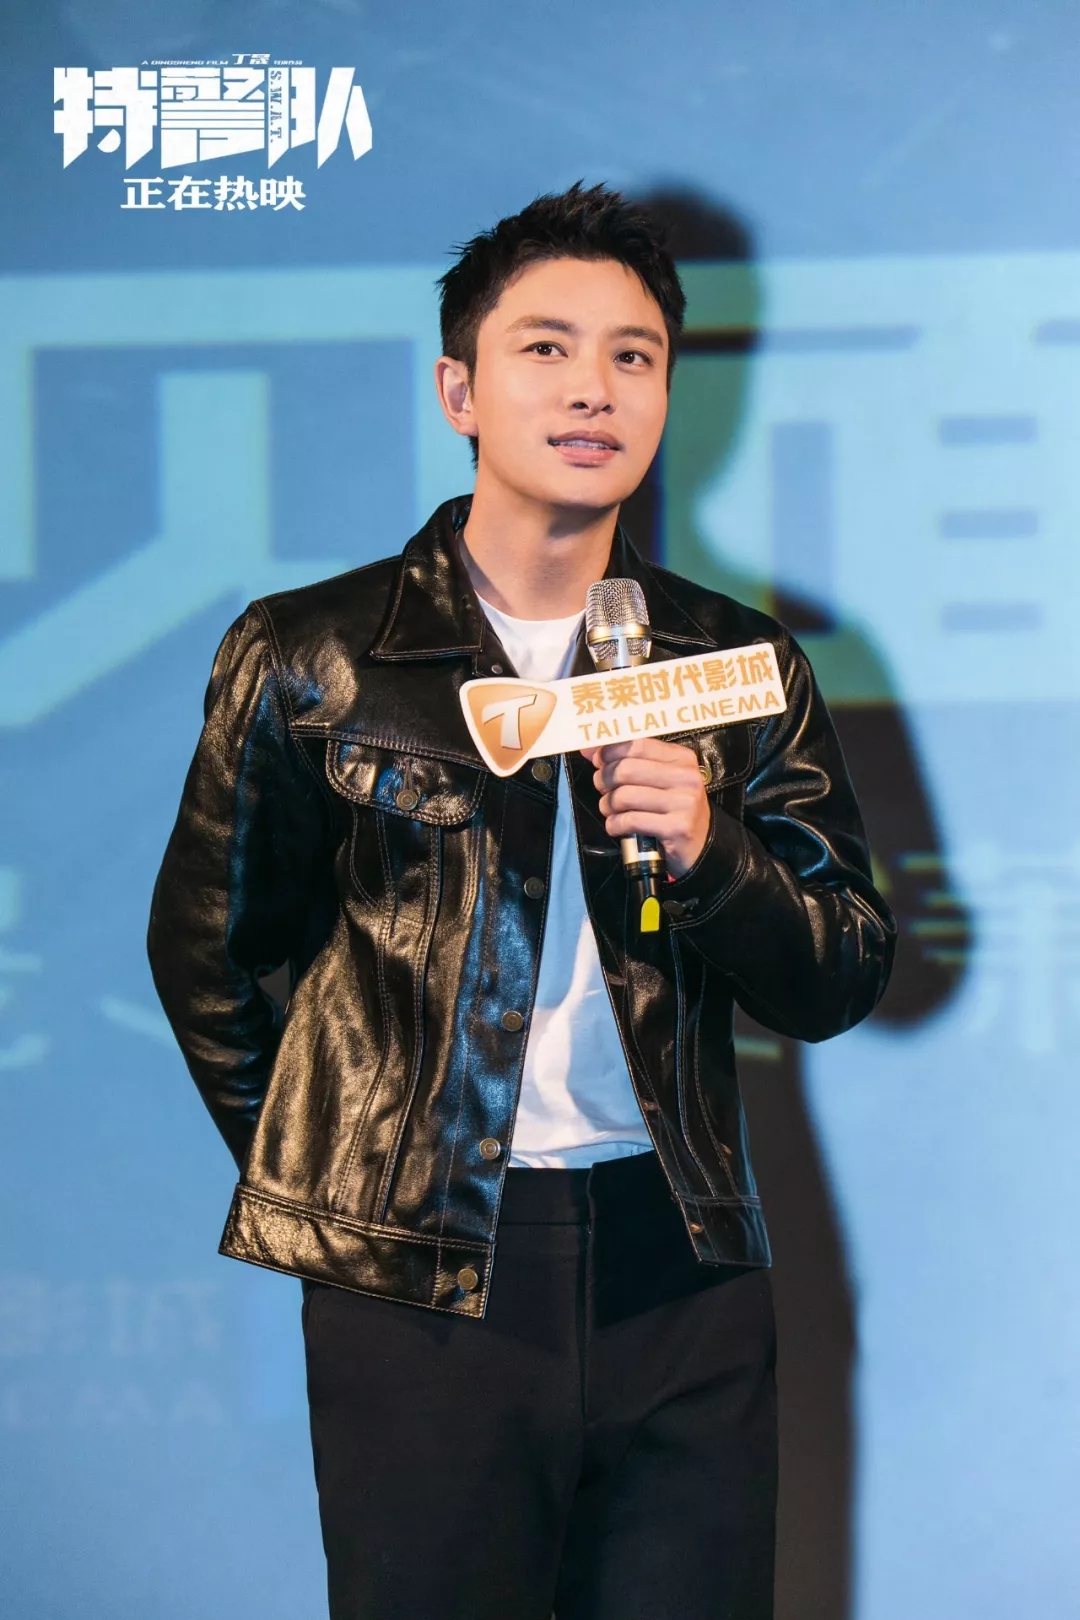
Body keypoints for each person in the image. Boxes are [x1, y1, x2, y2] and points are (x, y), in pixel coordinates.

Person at [147, 179, 896, 1620]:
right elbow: (210, 958)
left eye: (633, 355)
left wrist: (712, 855)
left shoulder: (735, 666)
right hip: (425, 1283)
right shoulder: (316, 655)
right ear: (461, 391)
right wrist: (352, 1176)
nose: (593, 387)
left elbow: (843, 969)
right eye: (545, 348)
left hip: (682, 1262)